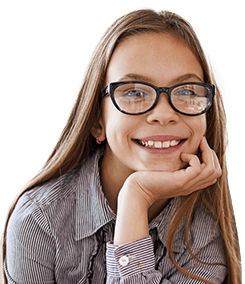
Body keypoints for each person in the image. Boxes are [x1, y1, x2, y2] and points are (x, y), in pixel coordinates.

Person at [0, 7, 241, 284]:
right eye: (135, 92)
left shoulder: (206, 234)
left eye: (187, 91)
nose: (163, 114)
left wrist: (135, 198)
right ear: (96, 122)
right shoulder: (39, 220)